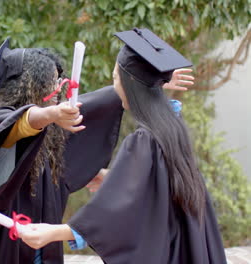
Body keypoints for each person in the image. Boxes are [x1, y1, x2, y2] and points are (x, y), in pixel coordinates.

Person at [0, 37, 194, 264]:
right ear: (29, 88)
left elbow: (99, 103)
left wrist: (145, 83)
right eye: (51, 84)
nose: (59, 89)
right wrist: (50, 114)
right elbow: (22, 123)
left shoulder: (51, 134)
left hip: (40, 249)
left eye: (59, 81)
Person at [20, 28, 227, 264]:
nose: (114, 86)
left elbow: (115, 213)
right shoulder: (172, 126)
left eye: (116, 78)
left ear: (129, 84)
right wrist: (112, 178)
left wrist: (53, 233)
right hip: (183, 247)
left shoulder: (144, 140)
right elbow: (160, 188)